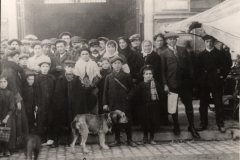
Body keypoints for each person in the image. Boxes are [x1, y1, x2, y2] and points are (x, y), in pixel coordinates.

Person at [161, 32, 200, 138]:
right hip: (172, 82)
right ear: (166, 41)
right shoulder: (164, 53)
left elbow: (190, 65)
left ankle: (191, 126)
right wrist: (165, 84)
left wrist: (192, 80)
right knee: (174, 105)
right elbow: (163, 70)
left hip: (185, 83)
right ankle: (176, 126)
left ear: (176, 40)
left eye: (174, 39)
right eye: (170, 39)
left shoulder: (183, 50)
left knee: (188, 104)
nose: (172, 40)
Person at [195, 34, 231, 133]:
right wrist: (199, 81)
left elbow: (227, 65)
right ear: (204, 42)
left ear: (214, 42)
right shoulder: (201, 55)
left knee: (218, 103)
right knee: (203, 104)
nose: (209, 43)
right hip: (204, 83)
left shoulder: (220, 54)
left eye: (211, 42)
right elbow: (197, 69)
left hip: (216, 83)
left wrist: (222, 76)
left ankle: (220, 124)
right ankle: (203, 123)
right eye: (207, 42)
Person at [103, 56, 136, 147]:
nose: (117, 65)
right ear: (111, 65)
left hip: (124, 101)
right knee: (115, 120)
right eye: (114, 63)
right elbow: (105, 91)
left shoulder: (126, 76)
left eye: (118, 63)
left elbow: (133, 89)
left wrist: (128, 96)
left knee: (127, 120)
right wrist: (105, 103)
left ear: (121, 64)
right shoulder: (109, 77)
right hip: (113, 102)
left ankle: (129, 139)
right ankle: (117, 140)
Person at [1, 49, 29, 148]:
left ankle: (19, 143)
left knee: (19, 120)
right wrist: (18, 100)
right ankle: (17, 144)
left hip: (16, 96)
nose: (18, 59)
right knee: (18, 120)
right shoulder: (9, 69)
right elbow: (12, 85)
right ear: (10, 58)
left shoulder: (14, 68)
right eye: (17, 57)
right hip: (14, 97)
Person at [54, 60, 86, 145]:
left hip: (74, 105)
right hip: (63, 105)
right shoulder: (60, 79)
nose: (70, 69)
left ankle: (71, 139)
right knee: (60, 121)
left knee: (72, 122)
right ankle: (56, 140)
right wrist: (60, 104)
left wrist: (77, 104)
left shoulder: (77, 79)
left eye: (72, 67)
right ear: (65, 68)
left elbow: (80, 94)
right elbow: (57, 93)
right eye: (68, 67)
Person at [135, 65, 165, 145]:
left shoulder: (155, 84)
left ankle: (151, 138)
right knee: (145, 123)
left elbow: (161, 94)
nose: (148, 75)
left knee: (153, 122)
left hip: (154, 106)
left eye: (150, 74)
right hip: (144, 107)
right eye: (147, 74)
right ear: (143, 75)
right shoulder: (141, 85)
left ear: (152, 75)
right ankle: (145, 138)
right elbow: (137, 96)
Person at [33, 56, 56, 144]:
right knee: (41, 120)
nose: (45, 69)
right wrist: (36, 104)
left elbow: (55, 90)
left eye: (47, 67)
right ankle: (42, 138)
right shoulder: (37, 78)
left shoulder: (52, 77)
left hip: (51, 103)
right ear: (40, 68)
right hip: (40, 103)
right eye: (43, 67)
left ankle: (51, 138)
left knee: (50, 119)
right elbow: (35, 92)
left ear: (49, 68)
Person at [74, 47, 101, 114]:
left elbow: (97, 76)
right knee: (83, 105)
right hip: (82, 88)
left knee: (93, 103)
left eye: (86, 54)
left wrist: (91, 86)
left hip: (92, 88)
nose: (85, 56)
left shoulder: (93, 63)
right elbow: (76, 76)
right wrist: (82, 86)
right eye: (83, 54)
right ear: (80, 55)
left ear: (89, 54)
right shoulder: (77, 64)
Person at [0, 75, 16, 156]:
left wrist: (6, 118)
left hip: (7, 115)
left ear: (7, 83)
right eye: (1, 82)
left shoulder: (10, 94)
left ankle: (6, 148)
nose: (3, 84)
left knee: (7, 130)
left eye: (4, 82)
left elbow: (12, 108)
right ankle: (0, 149)